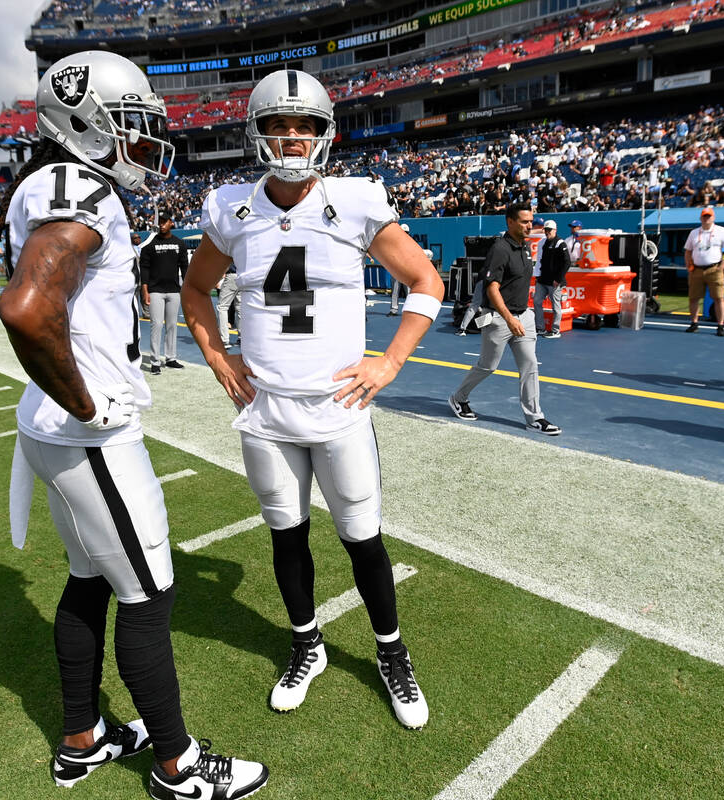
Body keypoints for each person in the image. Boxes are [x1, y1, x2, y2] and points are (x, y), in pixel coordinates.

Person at [0, 50, 267, 800]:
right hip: (89, 435)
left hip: (51, 431)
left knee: (89, 579)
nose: (143, 146)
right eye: (129, 130)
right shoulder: (81, 189)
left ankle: (83, 738)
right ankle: (179, 766)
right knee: (149, 593)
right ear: (83, 124)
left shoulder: (47, 183)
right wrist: (86, 403)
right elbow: (25, 306)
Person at [180, 68, 442, 730]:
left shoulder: (355, 200)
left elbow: (424, 280)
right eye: (277, 124)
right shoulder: (231, 206)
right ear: (258, 131)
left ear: (325, 134)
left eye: (304, 126)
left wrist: (391, 361)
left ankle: (391, 653)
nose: (291, 137)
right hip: (266, 412)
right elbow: (194, 290)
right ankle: (307, 645)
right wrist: (216, 355)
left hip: (339, 410)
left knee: (362, 539)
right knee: (285, 535)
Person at [448, 203, 562, 436]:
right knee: (488, 365)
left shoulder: (525, 247)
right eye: (524, 222)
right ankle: (458, 398)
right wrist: (509, 319)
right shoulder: (500, 249)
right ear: (510, 222)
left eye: (531, 221)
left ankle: (534, 417)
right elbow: (492, 288)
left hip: (524, 317)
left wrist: (523, 314)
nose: (530, 225)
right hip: (499, 319)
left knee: (530, 365)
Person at [139, 211, 188, 373]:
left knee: (172, 325)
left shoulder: (180, 244)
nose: (162, 225)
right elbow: (144, 270)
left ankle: (171, 358)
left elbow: (184, 268)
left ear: (171, 223)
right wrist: (145, 291)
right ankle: (155, 361)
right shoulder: (149, 246)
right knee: (157, 325)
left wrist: (187, 289)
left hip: (174, 291)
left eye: (165, 222)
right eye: (159, 222)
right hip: (155, 291)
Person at [683, 206, 724, 335]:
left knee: (719, 297)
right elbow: (688, 251)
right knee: (693, 298)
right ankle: (694, 323)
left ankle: (720, 325)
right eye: (704, 216)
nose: (706, 219)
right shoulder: (694, 233)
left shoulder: (721, 231)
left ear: (713, 218)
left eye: (708, 216)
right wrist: (689, 265)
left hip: (714, 269)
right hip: (697, 270)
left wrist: (722, 266)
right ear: (700, 218)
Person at [535, 219, 570, 338]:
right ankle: (540, 328)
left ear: (555, 230)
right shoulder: (543, 243)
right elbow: (540, 261)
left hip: (554, 282)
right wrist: (537, 276)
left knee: (556, 306)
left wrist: (558, 279)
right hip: (542, 280)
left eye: (549, 230)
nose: (547, 232)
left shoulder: (561, 243)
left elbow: (567, 262)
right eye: (546, 230)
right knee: (536, 302)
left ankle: (555, 331)